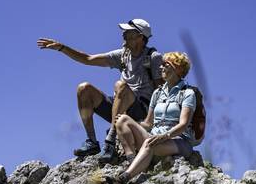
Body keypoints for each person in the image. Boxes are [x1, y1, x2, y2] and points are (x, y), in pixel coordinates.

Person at [37, 19, 163, 162]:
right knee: (84, 89)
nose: (123, 35)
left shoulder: (153, 58)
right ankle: (92, 142)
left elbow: (161, 91)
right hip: (119, 107)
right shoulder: (123, 55)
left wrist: (153, 123)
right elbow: (89, 59)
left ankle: (111, 141)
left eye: (128, 32)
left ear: (140, 37)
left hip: (141, 110)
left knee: (120, 85)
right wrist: (62, 48)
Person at [104, 51, 197, 184]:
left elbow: (183, 124)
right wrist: (131, 125)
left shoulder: (187, 93)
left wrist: (165, 136)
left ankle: (123, 179)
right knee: (122, 120)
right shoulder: (157, 93)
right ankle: (133, 161)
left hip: (178, 141)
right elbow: (148, 123)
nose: (160, 68)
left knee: (149, 143)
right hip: (154, 138)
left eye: (165, 65)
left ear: (178, 69)